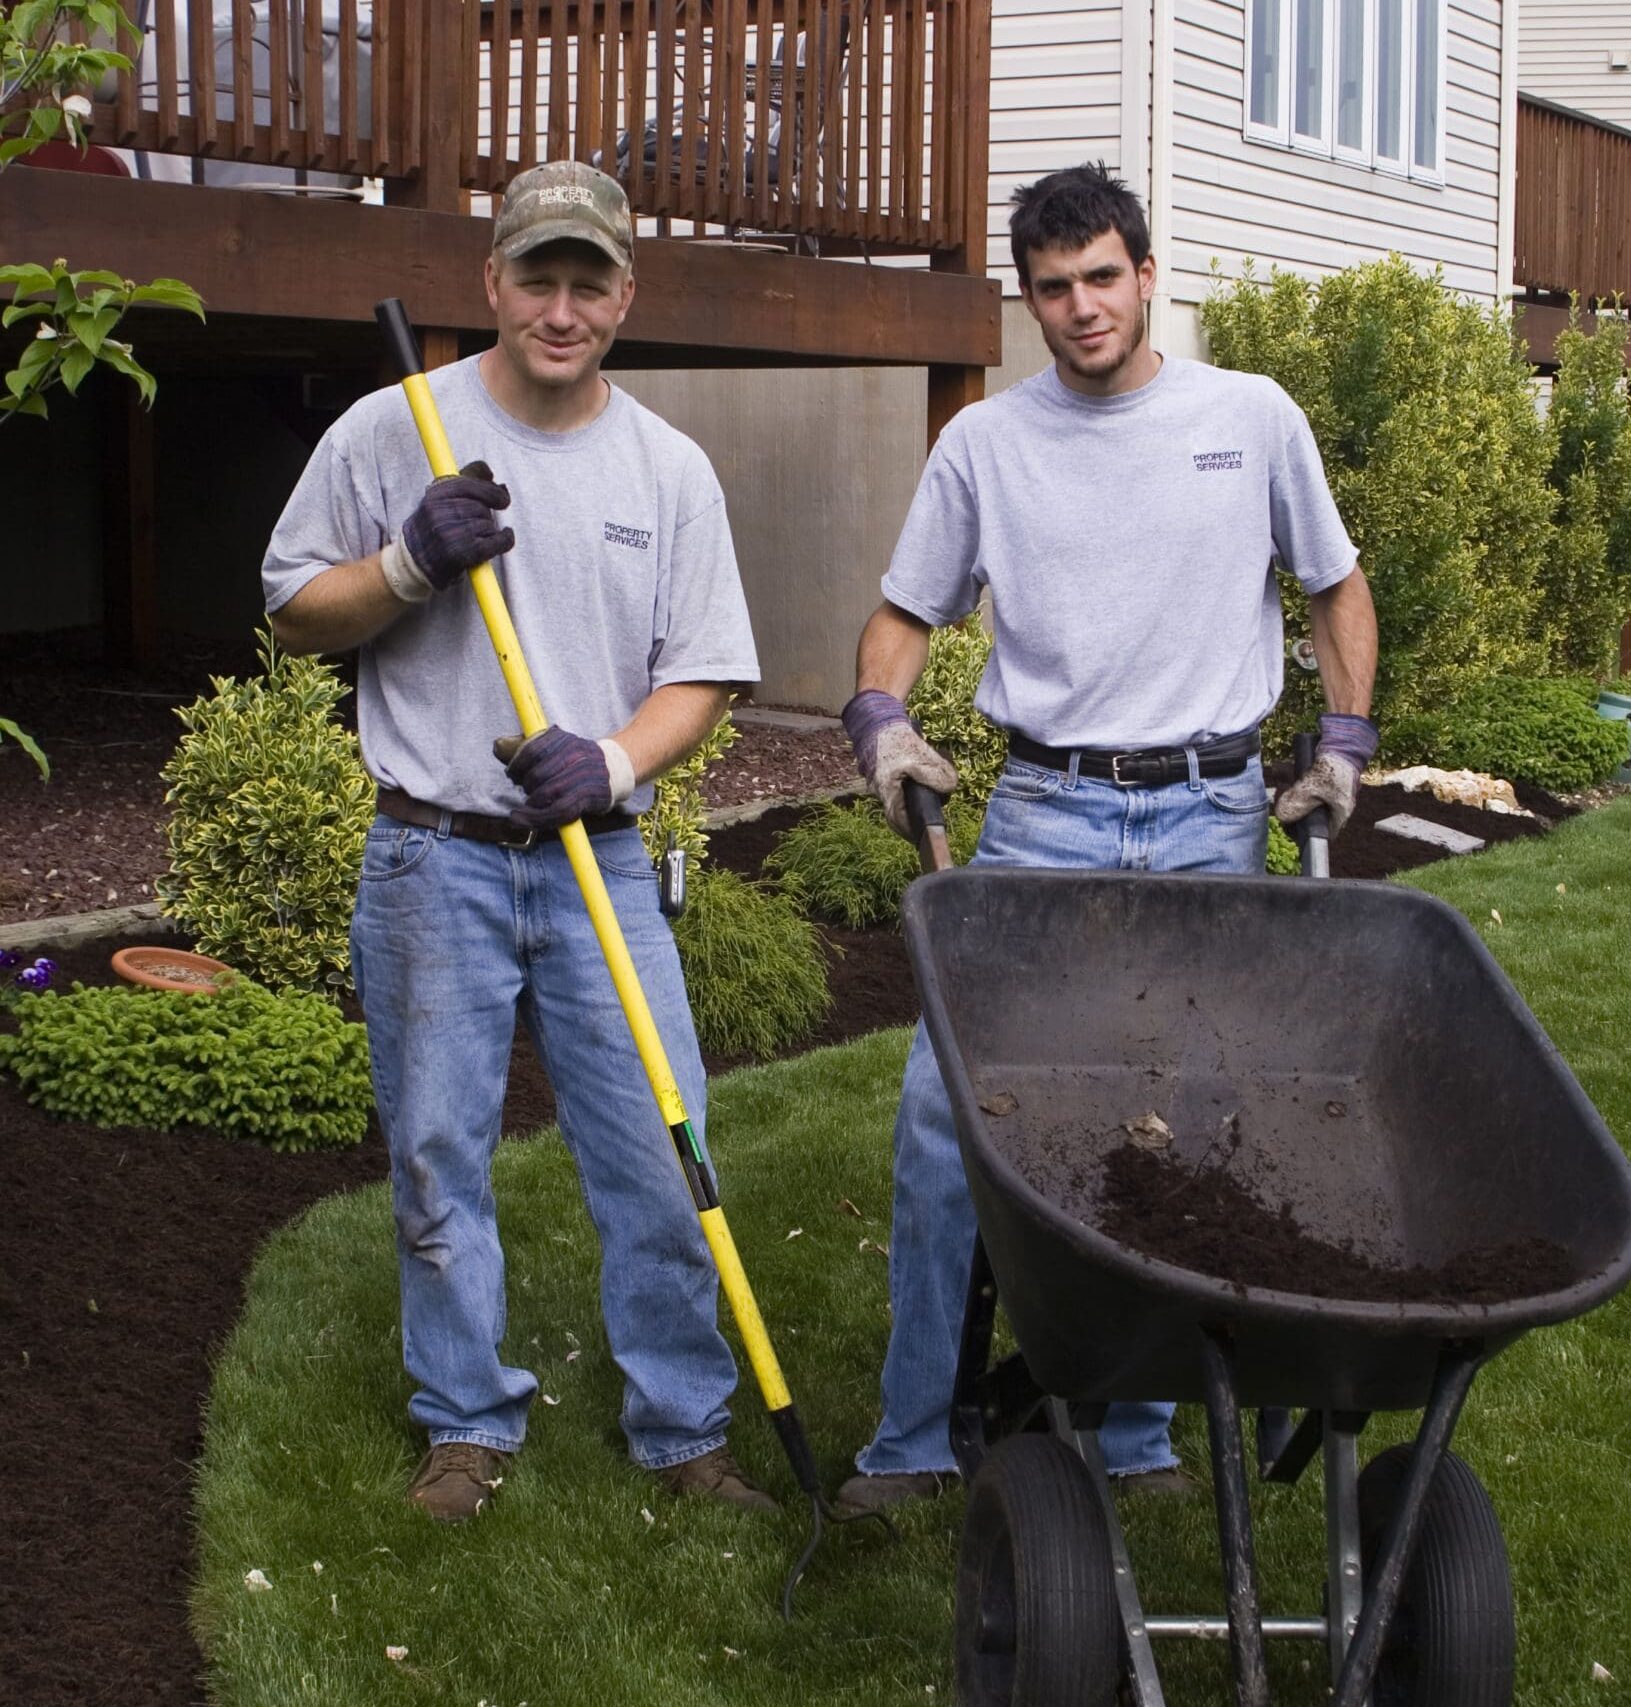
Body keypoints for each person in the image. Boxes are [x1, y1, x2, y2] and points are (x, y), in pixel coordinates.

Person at [834, 163, 1380, 1513]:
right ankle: (912, 1440)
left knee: (1181, 1128)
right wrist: (878, 720)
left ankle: (1136, 1442)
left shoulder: (1249, 419)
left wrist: (1347, 741)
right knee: (942, 1119)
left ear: (1147, 275)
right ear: (1031, 303)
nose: (1081, 307)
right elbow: (904, 616)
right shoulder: (986, 447)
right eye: (1053, 288)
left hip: (1210, 811)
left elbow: (1335, 588)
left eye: (1101, 278)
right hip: (1043, 812)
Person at [262, 161, 774, 1522]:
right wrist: (409, 567)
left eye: (587, 280)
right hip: (435, 858)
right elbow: (295, 613)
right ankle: (466, 1420)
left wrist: (608, 759)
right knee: (437, 1157)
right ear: (491, 281)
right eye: (535, 277)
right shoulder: (396, 431)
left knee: (666, 1152)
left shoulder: (669, 468)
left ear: (625, 292)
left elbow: (707, 671)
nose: (560, 307)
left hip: (598, 860)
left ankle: (685, 1427)